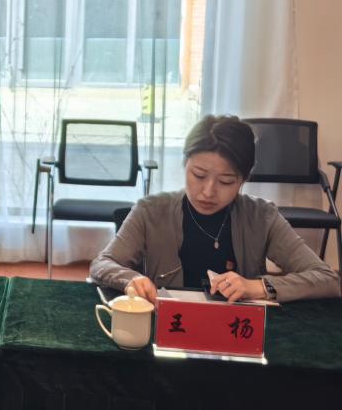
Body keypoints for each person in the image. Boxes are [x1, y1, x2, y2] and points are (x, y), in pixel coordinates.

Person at [90, 115, 339, 303]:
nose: (208, 192)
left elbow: (328, 279)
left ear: (244, 179)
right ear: (184, 164)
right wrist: (132, 279)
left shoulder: (261, 216)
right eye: (198, 175)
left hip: (237, 335)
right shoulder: (151, 211)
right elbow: (102, 264)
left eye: (226, 181)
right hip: (169, 332)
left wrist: (259, 287)